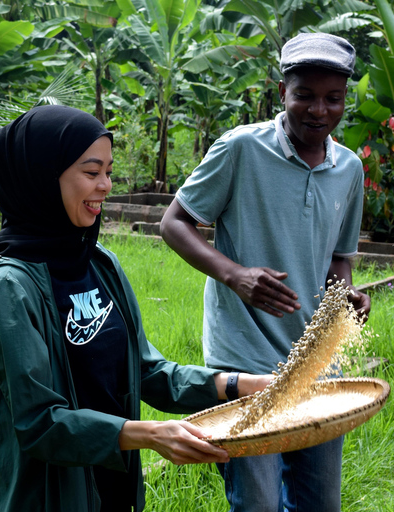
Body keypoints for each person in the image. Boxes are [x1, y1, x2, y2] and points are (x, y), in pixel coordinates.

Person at [0, 105, 273, 512]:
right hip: (49, 495)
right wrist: (148, 434)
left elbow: (146, 370)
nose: (106, 185)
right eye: (91, 173)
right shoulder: (7, 287)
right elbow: (38, 422)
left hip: (113, 487)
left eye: (109, 172)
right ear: (42, 176)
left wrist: (239, 385)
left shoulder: (99, 262)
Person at [159, 33, 372, 512]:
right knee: (256, 501)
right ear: (282, 93)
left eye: (333, 99)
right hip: (244, 359)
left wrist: (346, 298)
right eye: (305, 96)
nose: (318, 110)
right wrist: (235, 275)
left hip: (317, 362)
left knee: (319, 500)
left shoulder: (349, 169)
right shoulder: (240, 149)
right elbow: (174, 223)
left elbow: (339, 257)